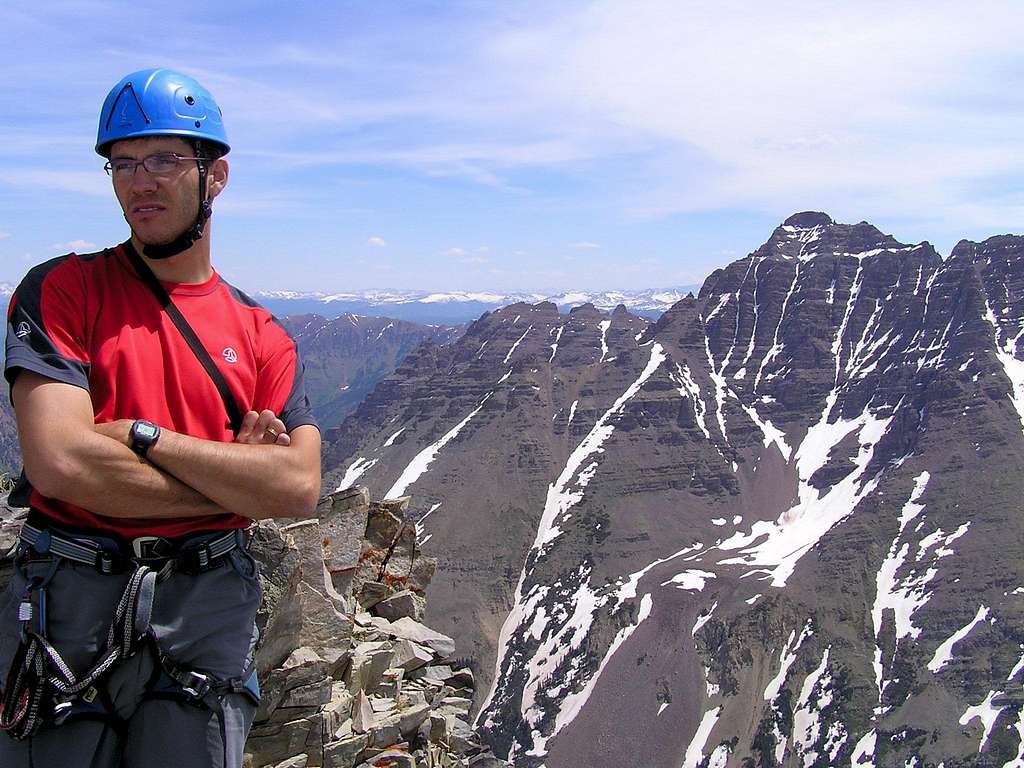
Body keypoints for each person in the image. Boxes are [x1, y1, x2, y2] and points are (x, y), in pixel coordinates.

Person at [0, 68, 322, 767]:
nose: (140, 181)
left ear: (217, 176)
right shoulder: (60, 290)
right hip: (68, 603)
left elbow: (297, 486)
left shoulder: (265, 335)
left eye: (166, 160)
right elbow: (60, 461)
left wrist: (145, 438)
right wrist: (236, 480)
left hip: (203, 611)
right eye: (123, 163)